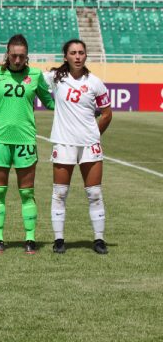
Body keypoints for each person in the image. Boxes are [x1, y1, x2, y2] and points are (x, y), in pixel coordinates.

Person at [0, 34, 54, 254]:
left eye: (21, 56)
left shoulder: (35, 75)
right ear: (7, 55)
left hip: (25, 140)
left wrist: (78, 107)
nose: (16, 60)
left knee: (26, 193)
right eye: (13, 55)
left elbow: (50, 101)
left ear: (27, 57)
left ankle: (30, 239)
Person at [46, 39, 112, 254]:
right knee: (60, 193)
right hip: (64, 142)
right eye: (73, 53)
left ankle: (99, 239)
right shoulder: (55, 78)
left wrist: (93, 134)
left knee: (94, 193)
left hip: (89, 145)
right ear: (65, 56)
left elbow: (107, 113)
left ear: (85, 56)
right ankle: (58, 240)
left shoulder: (95, 82)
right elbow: (25, 74)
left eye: (81, 52)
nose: (77, 56)